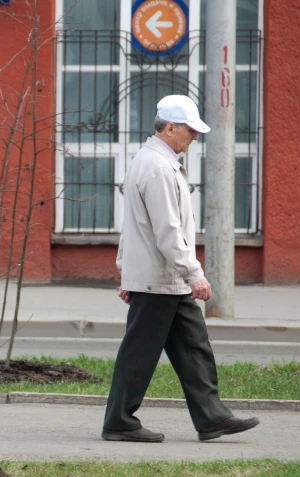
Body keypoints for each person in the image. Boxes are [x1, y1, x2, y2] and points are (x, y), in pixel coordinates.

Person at [102, 94, 259, 443]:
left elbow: (133, 225)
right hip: (162, 279)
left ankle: (212, 417)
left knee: (194, 348)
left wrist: (128, 271)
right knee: (140, 354)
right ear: (170, 127)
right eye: (190, 130)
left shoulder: (152, 161)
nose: (195, 137)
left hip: (162, 279)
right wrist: (195, 273)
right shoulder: (158, 168)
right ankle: (119, 422)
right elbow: (167, 231)